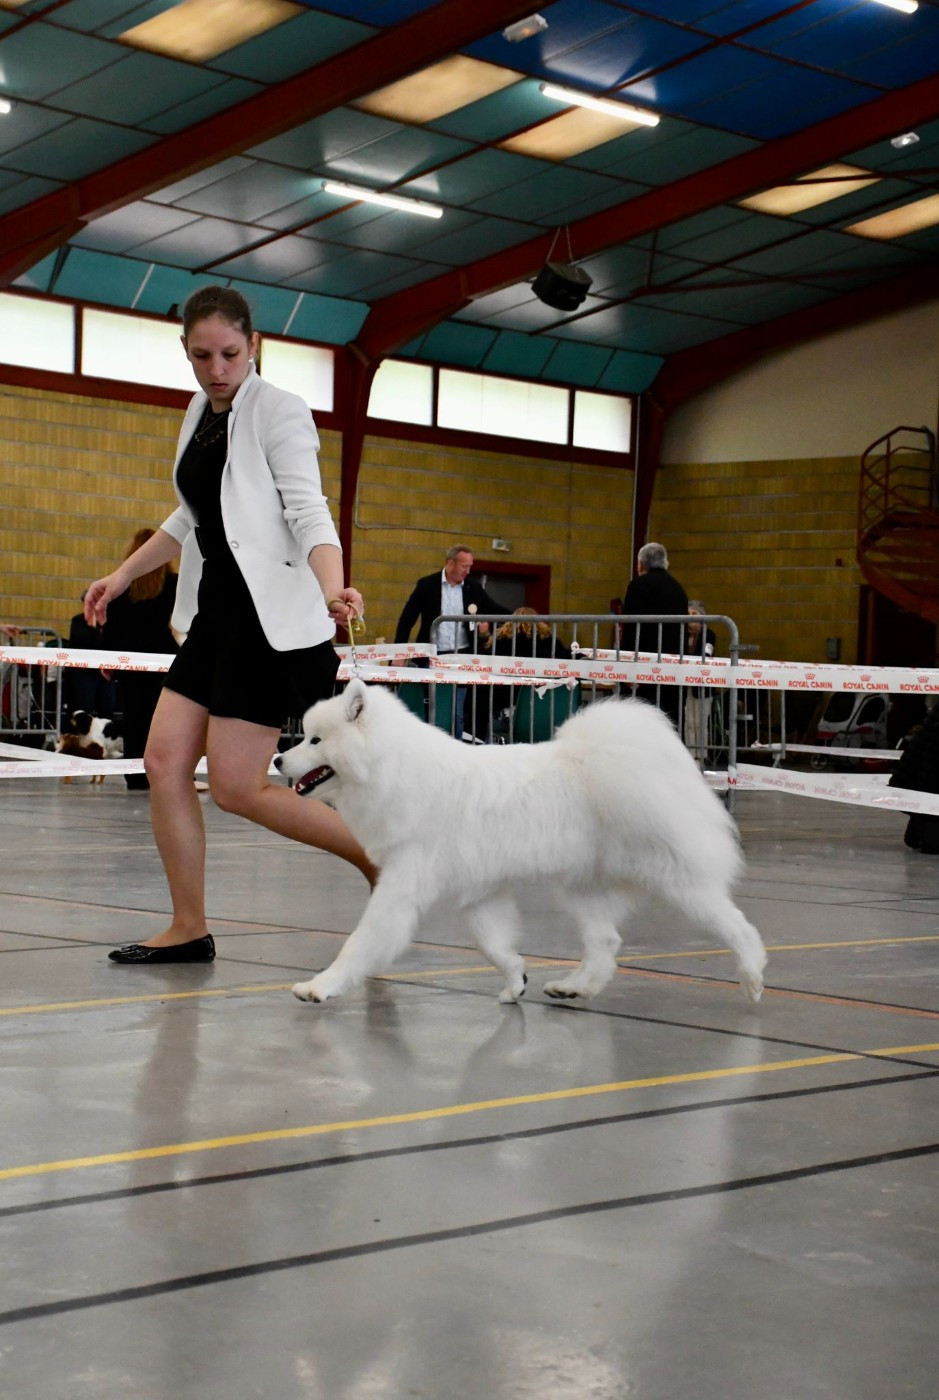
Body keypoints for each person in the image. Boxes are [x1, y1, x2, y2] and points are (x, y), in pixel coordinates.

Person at [84, 285, 374, 965]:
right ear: (185, 353)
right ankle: (188, 926)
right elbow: (191, 513)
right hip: (215, 612)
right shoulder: (199, 412)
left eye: (229, 354)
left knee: (239, 789)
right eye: (201, 356)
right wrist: (124, 575)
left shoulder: (281, 412)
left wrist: (335, 589)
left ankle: (381, 859)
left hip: (264, 620)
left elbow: (310, 513)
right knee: (162, 762)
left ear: (253, 345)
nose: (216, 369)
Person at [395, 544, 508, 737]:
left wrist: (521, 616)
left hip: (460, 657)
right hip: (431, 655)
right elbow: (407, 619)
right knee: (429, 706)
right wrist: (400, 653)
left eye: (470, 566)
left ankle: (453, 750)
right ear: (450, 563)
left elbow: (495, 610)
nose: (468, 571)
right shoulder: (426, 585)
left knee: (455, 710)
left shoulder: (474, 588)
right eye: (465, 566)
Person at [102, 529, 179, 791]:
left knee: (134, 719)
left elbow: (111, 627)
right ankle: (165, 773)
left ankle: (134, 775)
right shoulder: (173, 583)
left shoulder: (122, 586)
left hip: (129, 662)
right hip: (163, 658)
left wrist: (108, 661)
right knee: (163, 720)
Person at [475, 607, 573, 742]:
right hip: (541, 706)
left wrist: (484, 635)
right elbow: (566, 658)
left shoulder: (499, 641)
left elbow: (483, 661)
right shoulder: (549, 641)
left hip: (502, 704)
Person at [622, 541, 689, 727]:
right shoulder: (678, 589)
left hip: (645, 667)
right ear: (666, 562)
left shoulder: (637, 586)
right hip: (674, 668)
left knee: (640, 720)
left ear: (640, 564)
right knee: (671, 721)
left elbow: (631, 627)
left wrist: (626, 667)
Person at [683, 599, 716, 765]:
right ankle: (690, 755)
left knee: (700, 722)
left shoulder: (708, 635)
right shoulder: (682, 635)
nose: (690, 617)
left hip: (703, 685)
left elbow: (706, 655)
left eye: (694, 614)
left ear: (702, 617)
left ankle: (702, 755)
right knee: (689, 721)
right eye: (688, 614)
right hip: (686, 683)